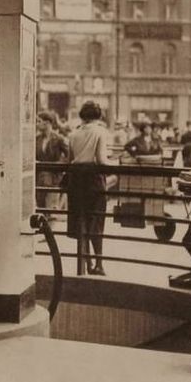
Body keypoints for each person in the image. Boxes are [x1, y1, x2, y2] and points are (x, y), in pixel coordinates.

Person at [65, 101, 113, 276]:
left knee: (81, 222)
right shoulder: (100, 132)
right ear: (98, 115)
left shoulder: (73, 134)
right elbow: (101, 160)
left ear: (82, 115)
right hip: (93, 181)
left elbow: (70, 159)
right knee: (97, 223)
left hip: (76, 180)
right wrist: (112, 163)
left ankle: (86, 263)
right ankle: (99, 264)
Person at [35, 111, 69, 212]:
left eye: (39, 121)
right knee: (40, 207)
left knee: (50, 208)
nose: (36, 124)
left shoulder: (59, 139)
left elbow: (69, 155)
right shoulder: (36, 139)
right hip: (39, 178)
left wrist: (59, 165)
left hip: (53, 177)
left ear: (47, 123)